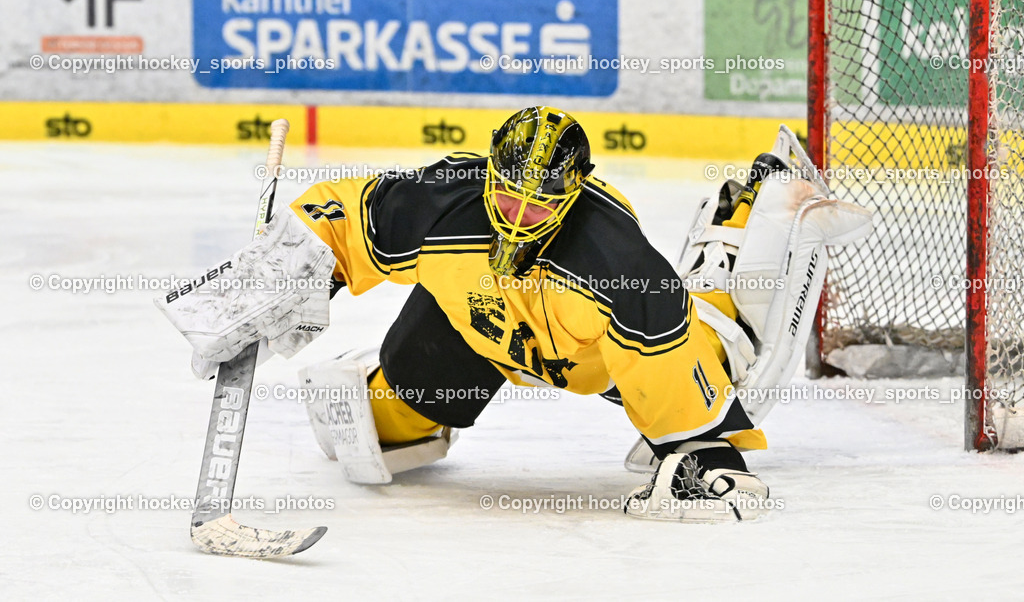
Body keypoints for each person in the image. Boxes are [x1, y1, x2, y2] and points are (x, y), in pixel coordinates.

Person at [157, 106, 870, 522]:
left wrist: (700, 451)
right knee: (379, 424)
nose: (518, 215)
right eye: (509, 192)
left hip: (591, 352)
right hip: (482, 327)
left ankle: (743, 214)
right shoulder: (449, 201)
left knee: (725, 347)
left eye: (541, 202)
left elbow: (671, 370)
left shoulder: (620, 273)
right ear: (490, 172)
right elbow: (342, 213)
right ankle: (388, 393)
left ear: (574, 192)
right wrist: (283, 268)